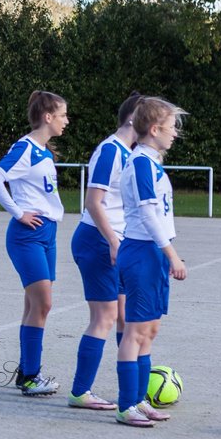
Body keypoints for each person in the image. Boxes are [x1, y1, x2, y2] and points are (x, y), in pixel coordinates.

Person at [0, 90, 69, 397]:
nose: (66, 121)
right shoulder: (26, 148)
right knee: (43, 304)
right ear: (47, 117)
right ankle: (32, 376)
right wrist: (19, 213)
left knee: (34, 305)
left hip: (47, 233)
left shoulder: (44, 152)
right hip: (27, 236)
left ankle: (26, 372)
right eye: (62, 115)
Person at [114, 96, 188, 428]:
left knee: (150, 331)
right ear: (155, 129)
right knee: (134, 331)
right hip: (142, 252)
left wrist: (167, 251)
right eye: (172, 127)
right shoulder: (141, 163)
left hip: (154, 253)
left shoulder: (152, 162)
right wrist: (170, 254)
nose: (175, 134)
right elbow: (146, 212)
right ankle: (126, 404)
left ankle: (140, 399)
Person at [67, 92, 142, 411]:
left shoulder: (129, 153)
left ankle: (133, 393)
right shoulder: (110, 150)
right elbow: (93, 202)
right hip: (97, 239)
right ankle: (80, 392)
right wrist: (113, 241)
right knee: (105, 316)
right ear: (134, 118)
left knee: (126, 317)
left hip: (115, 240)